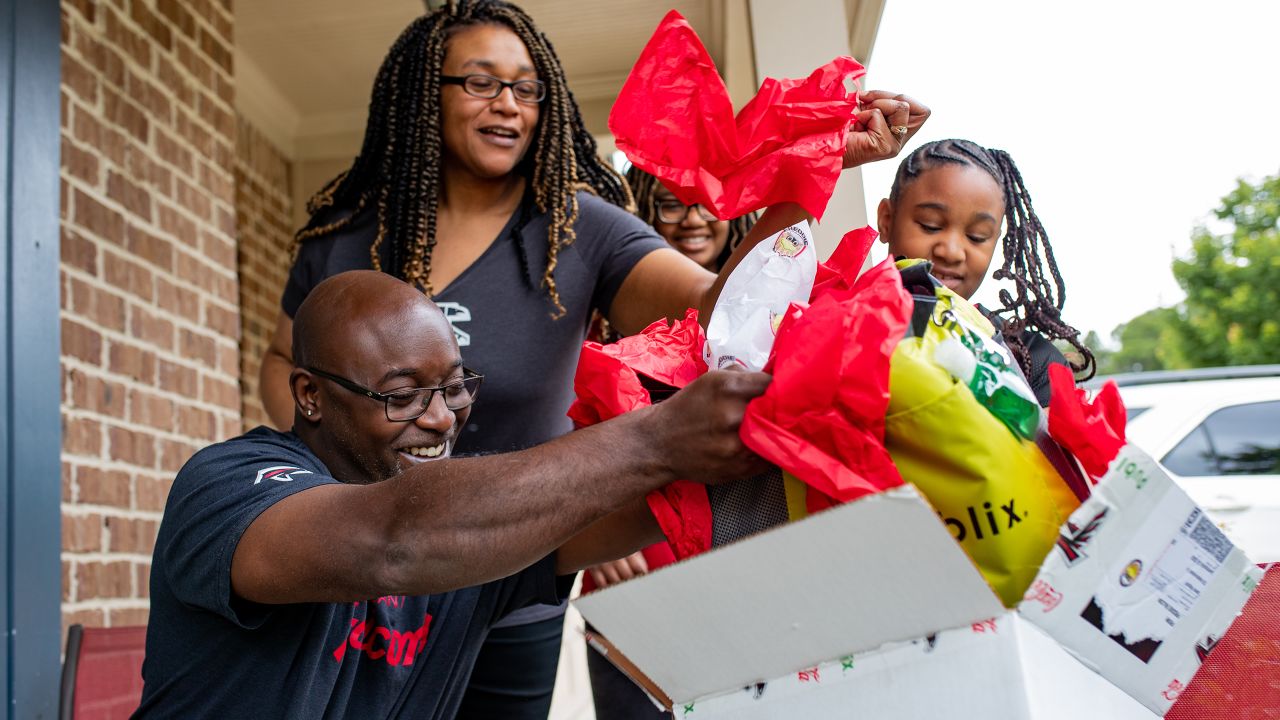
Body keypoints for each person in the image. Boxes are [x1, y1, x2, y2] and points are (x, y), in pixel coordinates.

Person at [257, 1, 928, 714]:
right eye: (481, 83)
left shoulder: (583, 233)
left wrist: (808, 173)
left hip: (514, 576)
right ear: (429, 91)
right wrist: (323, 478)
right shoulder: (346, 239)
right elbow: (280, 360)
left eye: (526, 88)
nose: (508, 105)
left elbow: (719, 313)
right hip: (361, 571)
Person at [133, 270, 770, 719]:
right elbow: (394, 541)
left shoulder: (479, 524)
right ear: (310, 396)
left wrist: (808, 414)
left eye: (456, 387)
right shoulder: (227, 486)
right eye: (403, 394)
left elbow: (668, 495)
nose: (441, 418)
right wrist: (655, 436)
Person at [875, 138, 1095, 404]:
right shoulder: (837, 323)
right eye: (930, 225)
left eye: (977, 236)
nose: (952, 251)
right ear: (887, 220)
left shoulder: (1034, 361)